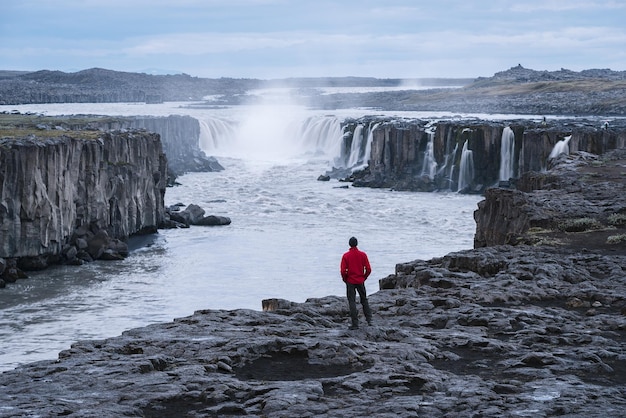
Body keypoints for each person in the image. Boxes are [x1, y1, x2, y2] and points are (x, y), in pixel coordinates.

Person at [340, 236, 373, 329]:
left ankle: (355, 324)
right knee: (364, 300)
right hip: (360, 280)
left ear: (349, 244)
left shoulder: (346, 256)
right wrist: (364, 277)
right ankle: (369, 320)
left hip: (350, 280)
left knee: (352, 301)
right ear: (357, 244)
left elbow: (343, 271)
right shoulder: (363, 255)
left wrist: (345, 278)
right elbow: (369, 269)